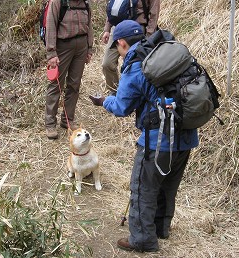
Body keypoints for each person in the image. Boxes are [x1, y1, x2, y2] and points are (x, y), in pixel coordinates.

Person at [89, 20, 199, 252]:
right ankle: (160, 228)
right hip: (187, 135)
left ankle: (142, 239)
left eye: (116, 49)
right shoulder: (164, 56)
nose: (117, 55)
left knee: (143, 187)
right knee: (167, 185)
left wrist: (103, 101)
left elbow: (121, 107)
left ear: (121, 43)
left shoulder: (136, 66)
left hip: (157, 141)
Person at [45, 0, 93, 139]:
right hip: (62, 46)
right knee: (56, 85)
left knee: (74, 84)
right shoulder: (57, 2)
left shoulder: (85, 3)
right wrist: (51, 53)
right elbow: (51, 26)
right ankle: (50, 124)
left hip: (81, 46)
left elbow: (89, 25)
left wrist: (89, 48)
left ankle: (67, 120)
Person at [101, 0, 160, 94]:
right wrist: (107, 29)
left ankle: (132, 97)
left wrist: (149, 36)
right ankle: (115, 94)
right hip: (118, 28)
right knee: (107, 64)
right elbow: (113, 6)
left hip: (137, 29)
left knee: (134, 66)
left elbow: (154, 13)